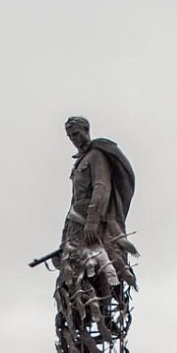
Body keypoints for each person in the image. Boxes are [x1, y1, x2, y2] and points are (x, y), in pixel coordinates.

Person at [60, 116, 137, 289]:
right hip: (76, 224)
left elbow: (101, 188)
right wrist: (64, 237)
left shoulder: (96, 154)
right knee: (75, 276)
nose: (74, 139)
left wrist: (92, 222)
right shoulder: (79, 161)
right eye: (70, 136)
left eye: (76, 134)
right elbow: (74, 200)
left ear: (87, 130)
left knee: (102, 273)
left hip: (96, 224)